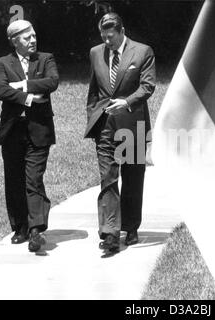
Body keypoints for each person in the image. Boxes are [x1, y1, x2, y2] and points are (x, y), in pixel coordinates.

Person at [84, 12, 156, 253]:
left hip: (133, 123)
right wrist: (93, 117)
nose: (107, 42)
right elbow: (94, 90)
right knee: (108, 177)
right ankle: (110, 233)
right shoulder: (96, 53)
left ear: (122, 31)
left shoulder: (142, 51)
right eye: (103, 36)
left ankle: (131, 226)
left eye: (111, 37)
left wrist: (126, 103)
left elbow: (148, 86)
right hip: (105, 125)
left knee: (133, 177)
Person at [0, 20, 59, 252]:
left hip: (39, 130)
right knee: (14, 180)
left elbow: (52, 82)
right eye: (26, 38)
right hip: (12, 131)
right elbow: (0, 90)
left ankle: (35, 230)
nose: (32, 40)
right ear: (14, 41)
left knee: (33, 178)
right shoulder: (2, 63)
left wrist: (21, 84)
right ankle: (20, 227)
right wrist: (29, 97)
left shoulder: (45, 59)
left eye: (33, 36)